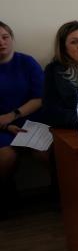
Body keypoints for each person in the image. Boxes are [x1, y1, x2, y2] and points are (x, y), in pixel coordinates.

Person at [0, 22, 45, 211]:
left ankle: (63, 193)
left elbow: (39, 98)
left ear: (12, 38)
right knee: (6, 156)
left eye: (5, 37)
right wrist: (6, 125)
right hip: (1, 127)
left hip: (30, 121)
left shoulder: (27, 62)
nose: (1, 42)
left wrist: (13, 115)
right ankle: (5, 195)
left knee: (45, 152)